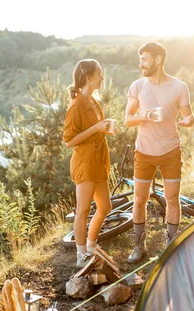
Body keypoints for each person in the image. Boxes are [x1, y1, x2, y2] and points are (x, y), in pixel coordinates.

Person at [124, 42, 194, 264]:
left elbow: (189, 117)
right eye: (140, 59)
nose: (140, 63)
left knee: (172, 199)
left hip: (170, 151)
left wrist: (187, 121)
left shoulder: (179, 87)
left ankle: (170, 247)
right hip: (144, 151)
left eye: (144, 59)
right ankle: (139, 246)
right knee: (139, 199)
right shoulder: (137, 86)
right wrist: (145, 116)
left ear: (158, 59)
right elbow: (127, 119)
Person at [63, 59, 115, 268]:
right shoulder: (76, 107)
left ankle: (91, 245)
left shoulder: (94, 102)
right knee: (83, 209)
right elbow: (69, 141)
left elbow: (96, 129)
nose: (102, 78)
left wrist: (106, 128)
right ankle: (81, 254)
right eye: (99, 74)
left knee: (105, 206)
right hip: (84, 162)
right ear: (88, 77)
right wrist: (96, 129)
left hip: (99, 161)